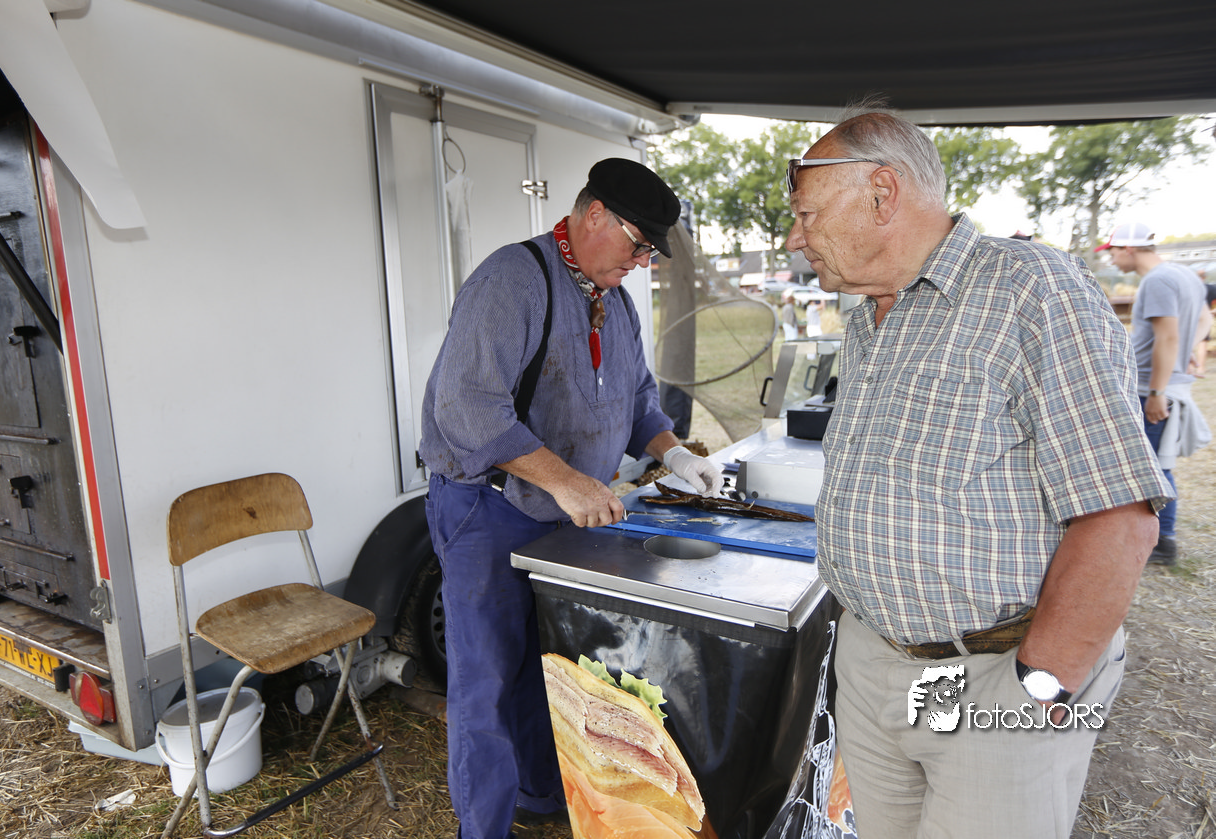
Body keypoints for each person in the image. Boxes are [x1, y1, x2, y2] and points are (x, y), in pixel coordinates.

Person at [783, 99, 1173, 839]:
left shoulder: (1031, 289)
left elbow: (1119, 518)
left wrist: (1040, 686)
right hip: (872, 660)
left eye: (807, 214)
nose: (795, 238)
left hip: (997, 672)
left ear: (882, 193)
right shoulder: (868, 314)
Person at [419, 157, 723, 839]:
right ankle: (484, 828)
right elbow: (465, 408)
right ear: (594, 216)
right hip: (488, 510)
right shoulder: (512, 280)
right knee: (487, 681)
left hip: (563, 516)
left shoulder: (615, 300)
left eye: (649, 253)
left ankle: (540, 795)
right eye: (638, 245)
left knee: (549, 666)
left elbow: (637, 399)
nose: (641, 263)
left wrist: (673, 452)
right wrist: (566, 480)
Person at [1100, 221, 1212, 565]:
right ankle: (1160, 539)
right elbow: (1205, 319)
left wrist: (1156, 392)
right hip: (1166, 381)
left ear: (1129, 248)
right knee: (1156, 463)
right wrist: (1189, 349)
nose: (1112, 260)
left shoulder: (1157, 280)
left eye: (1113, 251)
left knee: (1149, 466)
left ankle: (1162, 542)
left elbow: (1167, 336)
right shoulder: (1185, 275)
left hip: (1150, 384)